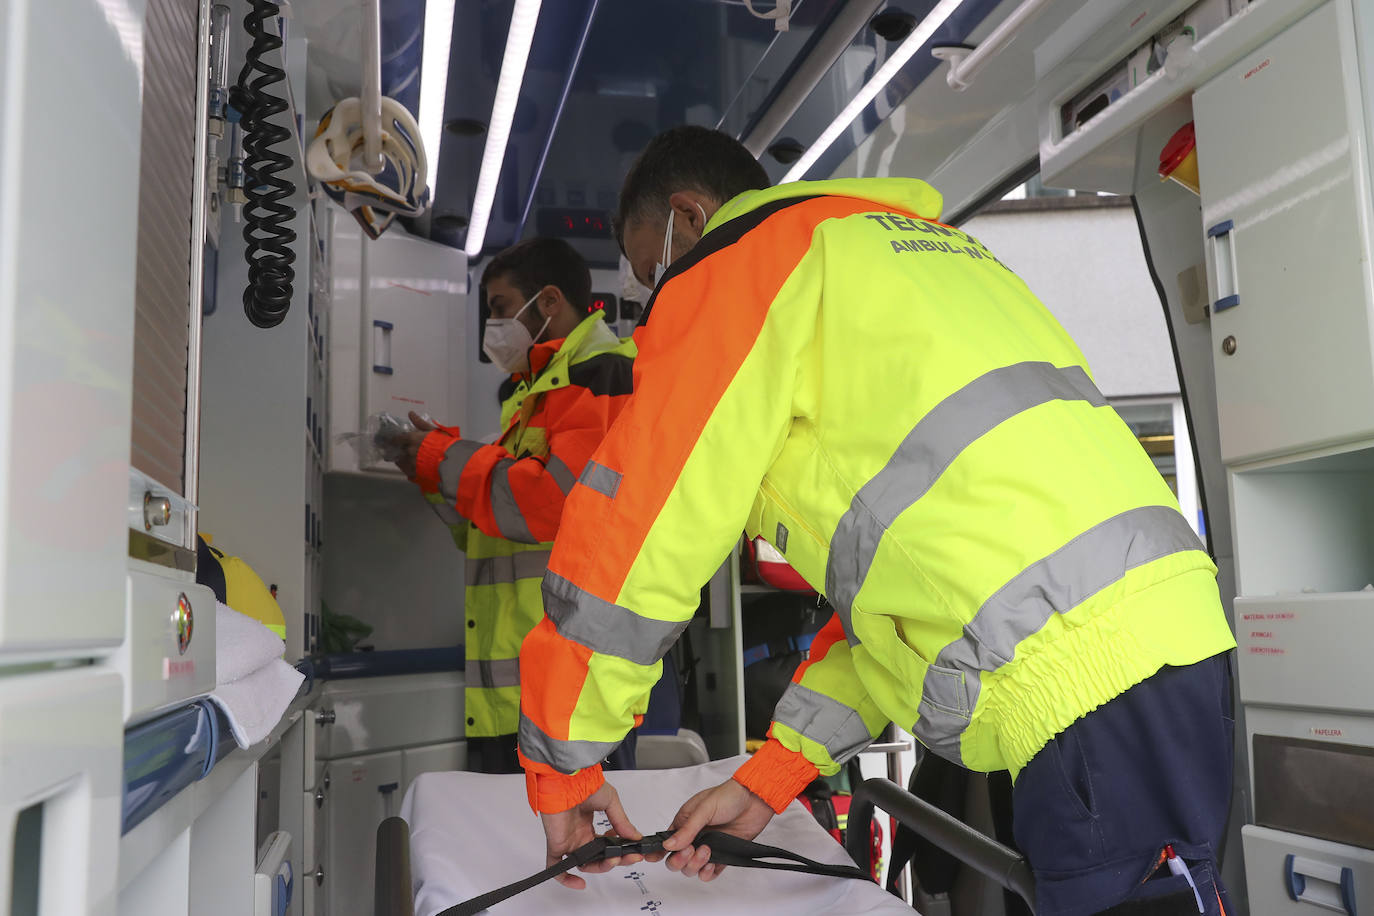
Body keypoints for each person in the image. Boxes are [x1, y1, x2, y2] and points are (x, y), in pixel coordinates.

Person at [514, 126, 1238, 916]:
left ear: (689, 218)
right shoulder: (917, 256)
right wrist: (772, 777)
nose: (654, 295)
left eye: (647, 266)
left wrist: (564, 764)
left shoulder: (738, 266)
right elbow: (894, 615)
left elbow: (639, 534)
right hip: (1132, 645)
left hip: (1085, 675)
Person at [394, 236, 638, 775]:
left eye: (500, 308)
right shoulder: (531, 395)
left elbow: (551, 503)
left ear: (548, 301)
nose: (493, 327)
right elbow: (492, 528)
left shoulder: (600, 375)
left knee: (579, 858)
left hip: (573, 695)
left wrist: (446, 456)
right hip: (523, 691)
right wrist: (432, 470)